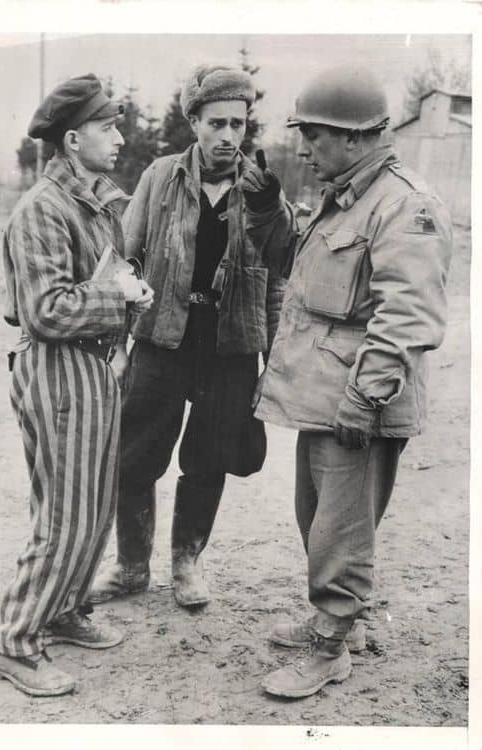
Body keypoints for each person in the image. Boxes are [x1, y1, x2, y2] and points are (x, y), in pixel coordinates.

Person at [254, 65, 453, 699]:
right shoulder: (348, 194)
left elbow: (408, 314)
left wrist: (365, 398)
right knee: (319, 517)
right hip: (325, 395)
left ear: (354, 136)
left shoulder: (404, 203)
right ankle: (336, 622)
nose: (306, 149)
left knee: (341, 526)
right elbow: (300, 272)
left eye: (313, 136)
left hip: (357, 399)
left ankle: (330, 647)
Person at [90, 65, 294, 609]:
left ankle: (186, 566)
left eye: (239, 124)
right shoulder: (161, 176)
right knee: (133, 457)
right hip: (162, 338)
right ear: (195, 123)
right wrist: (115, 341)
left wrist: (271, 362)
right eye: (217, 123)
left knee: (208, 460)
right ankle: (132, 566)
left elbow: (282, 272)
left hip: (228, 348)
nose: (229, 135)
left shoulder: (263, 189)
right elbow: (124, 258)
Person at [0, 73, 154, 697]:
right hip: (59, 369)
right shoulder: (42, 209)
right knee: (67, 518)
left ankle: (63, 609)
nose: (120, 135)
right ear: (74, 137)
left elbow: (96, 283)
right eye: (109, 127)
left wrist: (127, 292)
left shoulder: (90, 202)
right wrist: (118, 296)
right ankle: (13, 642)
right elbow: (46, 309)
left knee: (91, 506)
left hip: (92, 367)